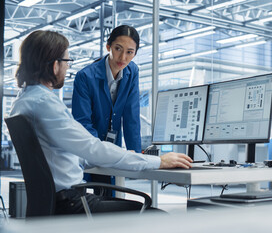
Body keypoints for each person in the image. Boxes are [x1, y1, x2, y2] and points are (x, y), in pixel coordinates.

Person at [10, 30, 193, 214]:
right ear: (55, 65)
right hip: (71, 203)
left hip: (53, 202)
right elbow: (92, 147)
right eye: (66, 61)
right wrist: (157, 161)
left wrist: (131, 155)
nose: (67, 68)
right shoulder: (46, 103)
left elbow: (66, 151)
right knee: (158, 215)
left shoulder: (23, 102)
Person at [71, 25, 142, 191]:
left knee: (111, 193)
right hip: (90, 146)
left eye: (130, 52)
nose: (123, 57)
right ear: (108, 47)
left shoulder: (132, 72)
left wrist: (137, 157)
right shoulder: (85, 76)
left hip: (112, 147)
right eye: (118, 49)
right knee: (94, 194)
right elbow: (83, 122)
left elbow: (132, 116)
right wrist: (100, 152)